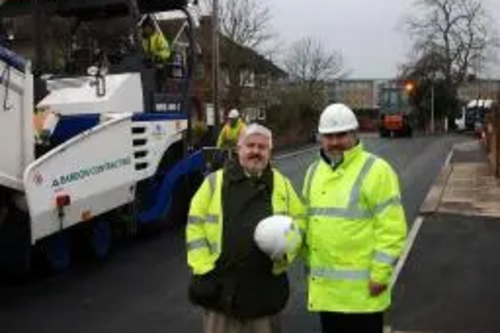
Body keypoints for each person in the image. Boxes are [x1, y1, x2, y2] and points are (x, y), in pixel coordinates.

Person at [186, 123, 305, 333]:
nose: (256, 151)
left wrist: (286, 252)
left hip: (264, 290)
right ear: (238, 149)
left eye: (262, 147)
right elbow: (195, 227)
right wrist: (203, 269)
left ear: (269, 152)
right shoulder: (214, 183)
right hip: (220, 290)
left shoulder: (282, 185)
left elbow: (300, 222)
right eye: (250, 145)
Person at [300, 103, 408, 333]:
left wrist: (380, 274)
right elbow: (306, 223)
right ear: (320, 137)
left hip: (363, 294)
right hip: (326, 293)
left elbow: (392, 229)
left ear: (354, 134)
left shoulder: (377, 170)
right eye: (329, 136)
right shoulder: (313, 173)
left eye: (342, 135)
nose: (335, 141)